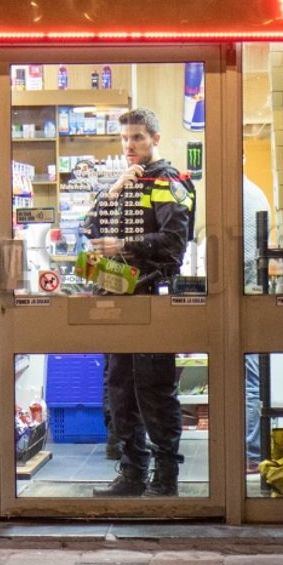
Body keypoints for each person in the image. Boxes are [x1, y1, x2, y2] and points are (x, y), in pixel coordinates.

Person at [83, 107, 193, 497]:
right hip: (115, 297)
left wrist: (125, 244)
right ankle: (131, 473)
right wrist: (114, 191)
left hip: (151, 297)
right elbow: (89, 230)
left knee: (154, 389)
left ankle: (165, 477)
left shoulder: (170, 182)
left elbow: (175, 244)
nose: (130, 146)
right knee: (119, 387)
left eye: (138, 138)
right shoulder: (122, 183)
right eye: (125, 139)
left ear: (155, 139)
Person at [243, 175, 271, 472]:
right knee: (249, 381)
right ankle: (250, 450)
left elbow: (244, 258)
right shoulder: (255, 191)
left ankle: (252, 453)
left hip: (245, 298)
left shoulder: (238, 194)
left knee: (250, 382)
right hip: (251, 294)